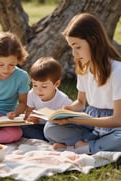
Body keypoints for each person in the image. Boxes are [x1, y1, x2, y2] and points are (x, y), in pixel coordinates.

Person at [44, 13, 121, 154]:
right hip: (90, 119)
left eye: (77, 47)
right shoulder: (84, 67)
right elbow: (80, 102)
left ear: (93, 41)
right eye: (71, 47)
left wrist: (80, 121)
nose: (74, 53)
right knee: (50, 128)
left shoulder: (117, 70)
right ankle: (91, 143)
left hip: (113, 123)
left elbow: (117, 119)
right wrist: (68, 110)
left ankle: (83, 147)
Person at [21, 56, 72, 141]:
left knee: (54, 131)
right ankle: (47, 139)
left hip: (54, 128)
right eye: (34, 85)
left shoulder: (64, 100)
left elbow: (70, 122)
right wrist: (30, 118)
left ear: (56, 84)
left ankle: (49, 138)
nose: (38, 90)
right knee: (23, 127)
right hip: (39, 127)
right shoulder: (32, 94)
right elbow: (28, 114)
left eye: (44, 86)